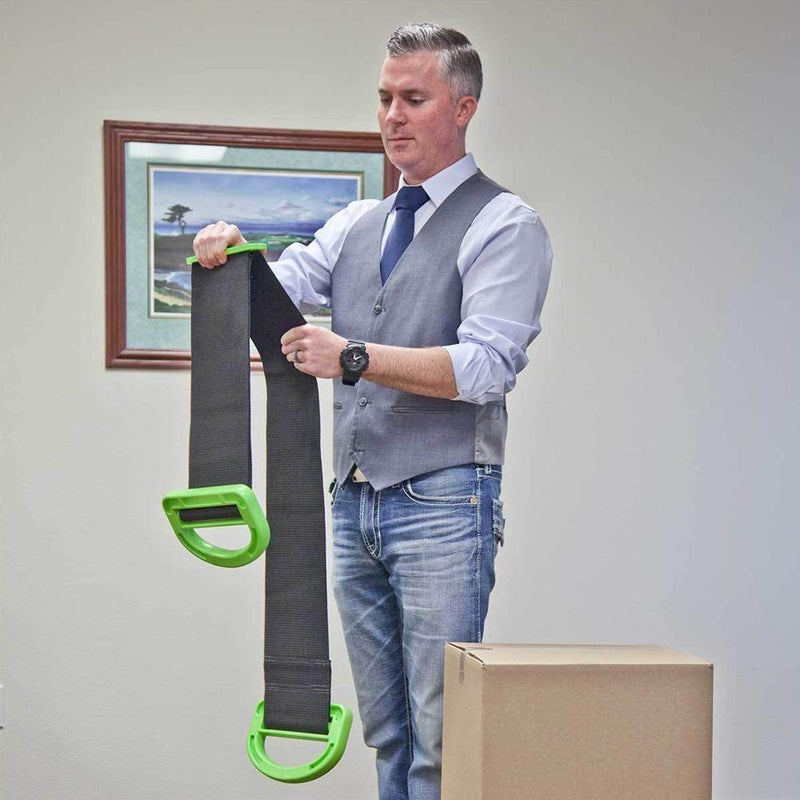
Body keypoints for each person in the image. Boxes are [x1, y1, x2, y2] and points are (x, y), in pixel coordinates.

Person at [193, 22, 552, 800]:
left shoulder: (505, 224)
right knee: (388, 731)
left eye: (413, 98)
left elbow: (487, 366)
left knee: (440, 737)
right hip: (352, 502)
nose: (392, 115)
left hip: (444, 502)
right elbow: (277, 287)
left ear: (464, 108)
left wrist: (352, 356)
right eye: (385, 97)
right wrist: (229, 250)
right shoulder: (357, 224)